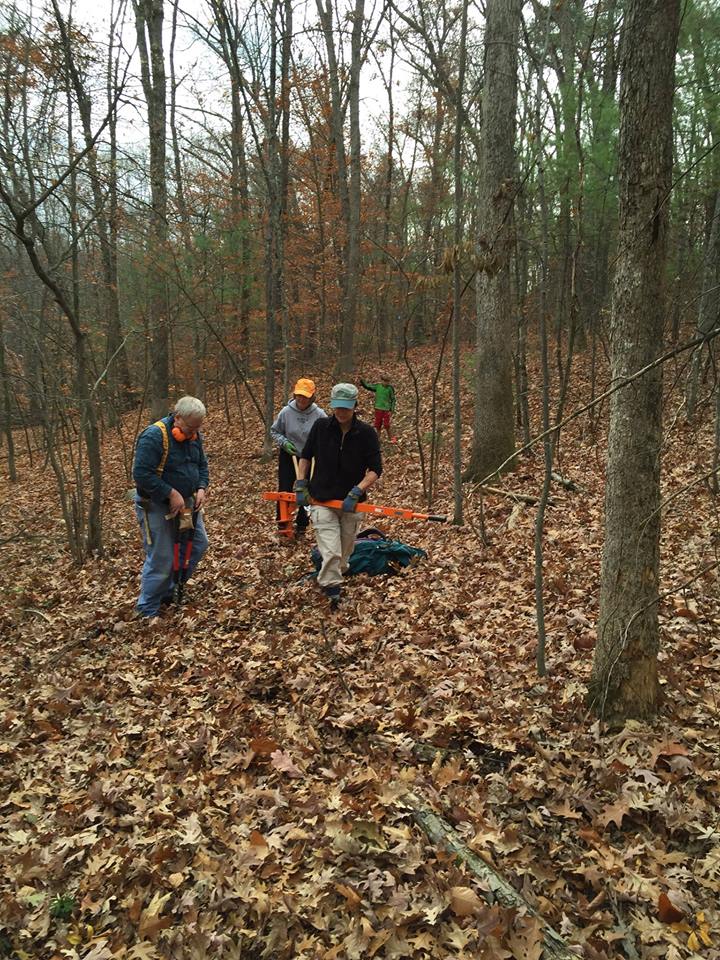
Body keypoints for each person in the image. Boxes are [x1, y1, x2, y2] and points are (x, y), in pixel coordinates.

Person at [294, 382, 382, 608]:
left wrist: (358, 490)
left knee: (344, 555)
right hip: (321, 499)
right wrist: (301, 482)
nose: (341, 412)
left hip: (351, 504)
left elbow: (375, 469)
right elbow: (306, 456)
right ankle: (332, 590)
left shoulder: (366, 433)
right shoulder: (321, 427)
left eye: (346, 407)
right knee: (331, 551)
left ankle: (333, 573)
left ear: (355, 406)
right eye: (338, 407)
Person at [132, 396, 209, 618]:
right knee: (162, 556)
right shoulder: (154, 436)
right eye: (191, 426)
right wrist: (170, 493)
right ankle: (148, 608)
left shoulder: (195, 436)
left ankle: (170, 588)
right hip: (156, 506)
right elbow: (141, 475)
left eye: (198, 426)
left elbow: (202, 466)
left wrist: (202, 487)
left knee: (196, 545)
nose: (195, 432)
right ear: (177, 418)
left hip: (186, 506)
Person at [270, 378, 326, 539]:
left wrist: (318, 447)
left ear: (312, 397)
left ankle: (302, 524)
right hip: (289, 454)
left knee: (306, 489)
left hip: (310, 457)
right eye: (299, 396)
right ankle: (283, 524)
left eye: (305, 396)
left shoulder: (320, 415)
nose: (301, 399)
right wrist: (284, 442)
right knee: (285, 488)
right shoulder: (286, 412)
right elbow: (274, 431)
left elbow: (328, 435)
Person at [361, 371, 396, 441]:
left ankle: (391, 438)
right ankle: (377, 439)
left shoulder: (390, 389)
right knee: (378, 424)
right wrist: (362, 381)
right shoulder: (378, 386)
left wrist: (392, 409)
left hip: (386, 409)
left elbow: (393, 399)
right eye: (385, 381)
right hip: (378, 408)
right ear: (381, 380)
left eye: (388, 381)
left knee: (387, 425)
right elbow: (368, 386)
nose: (386, 383)